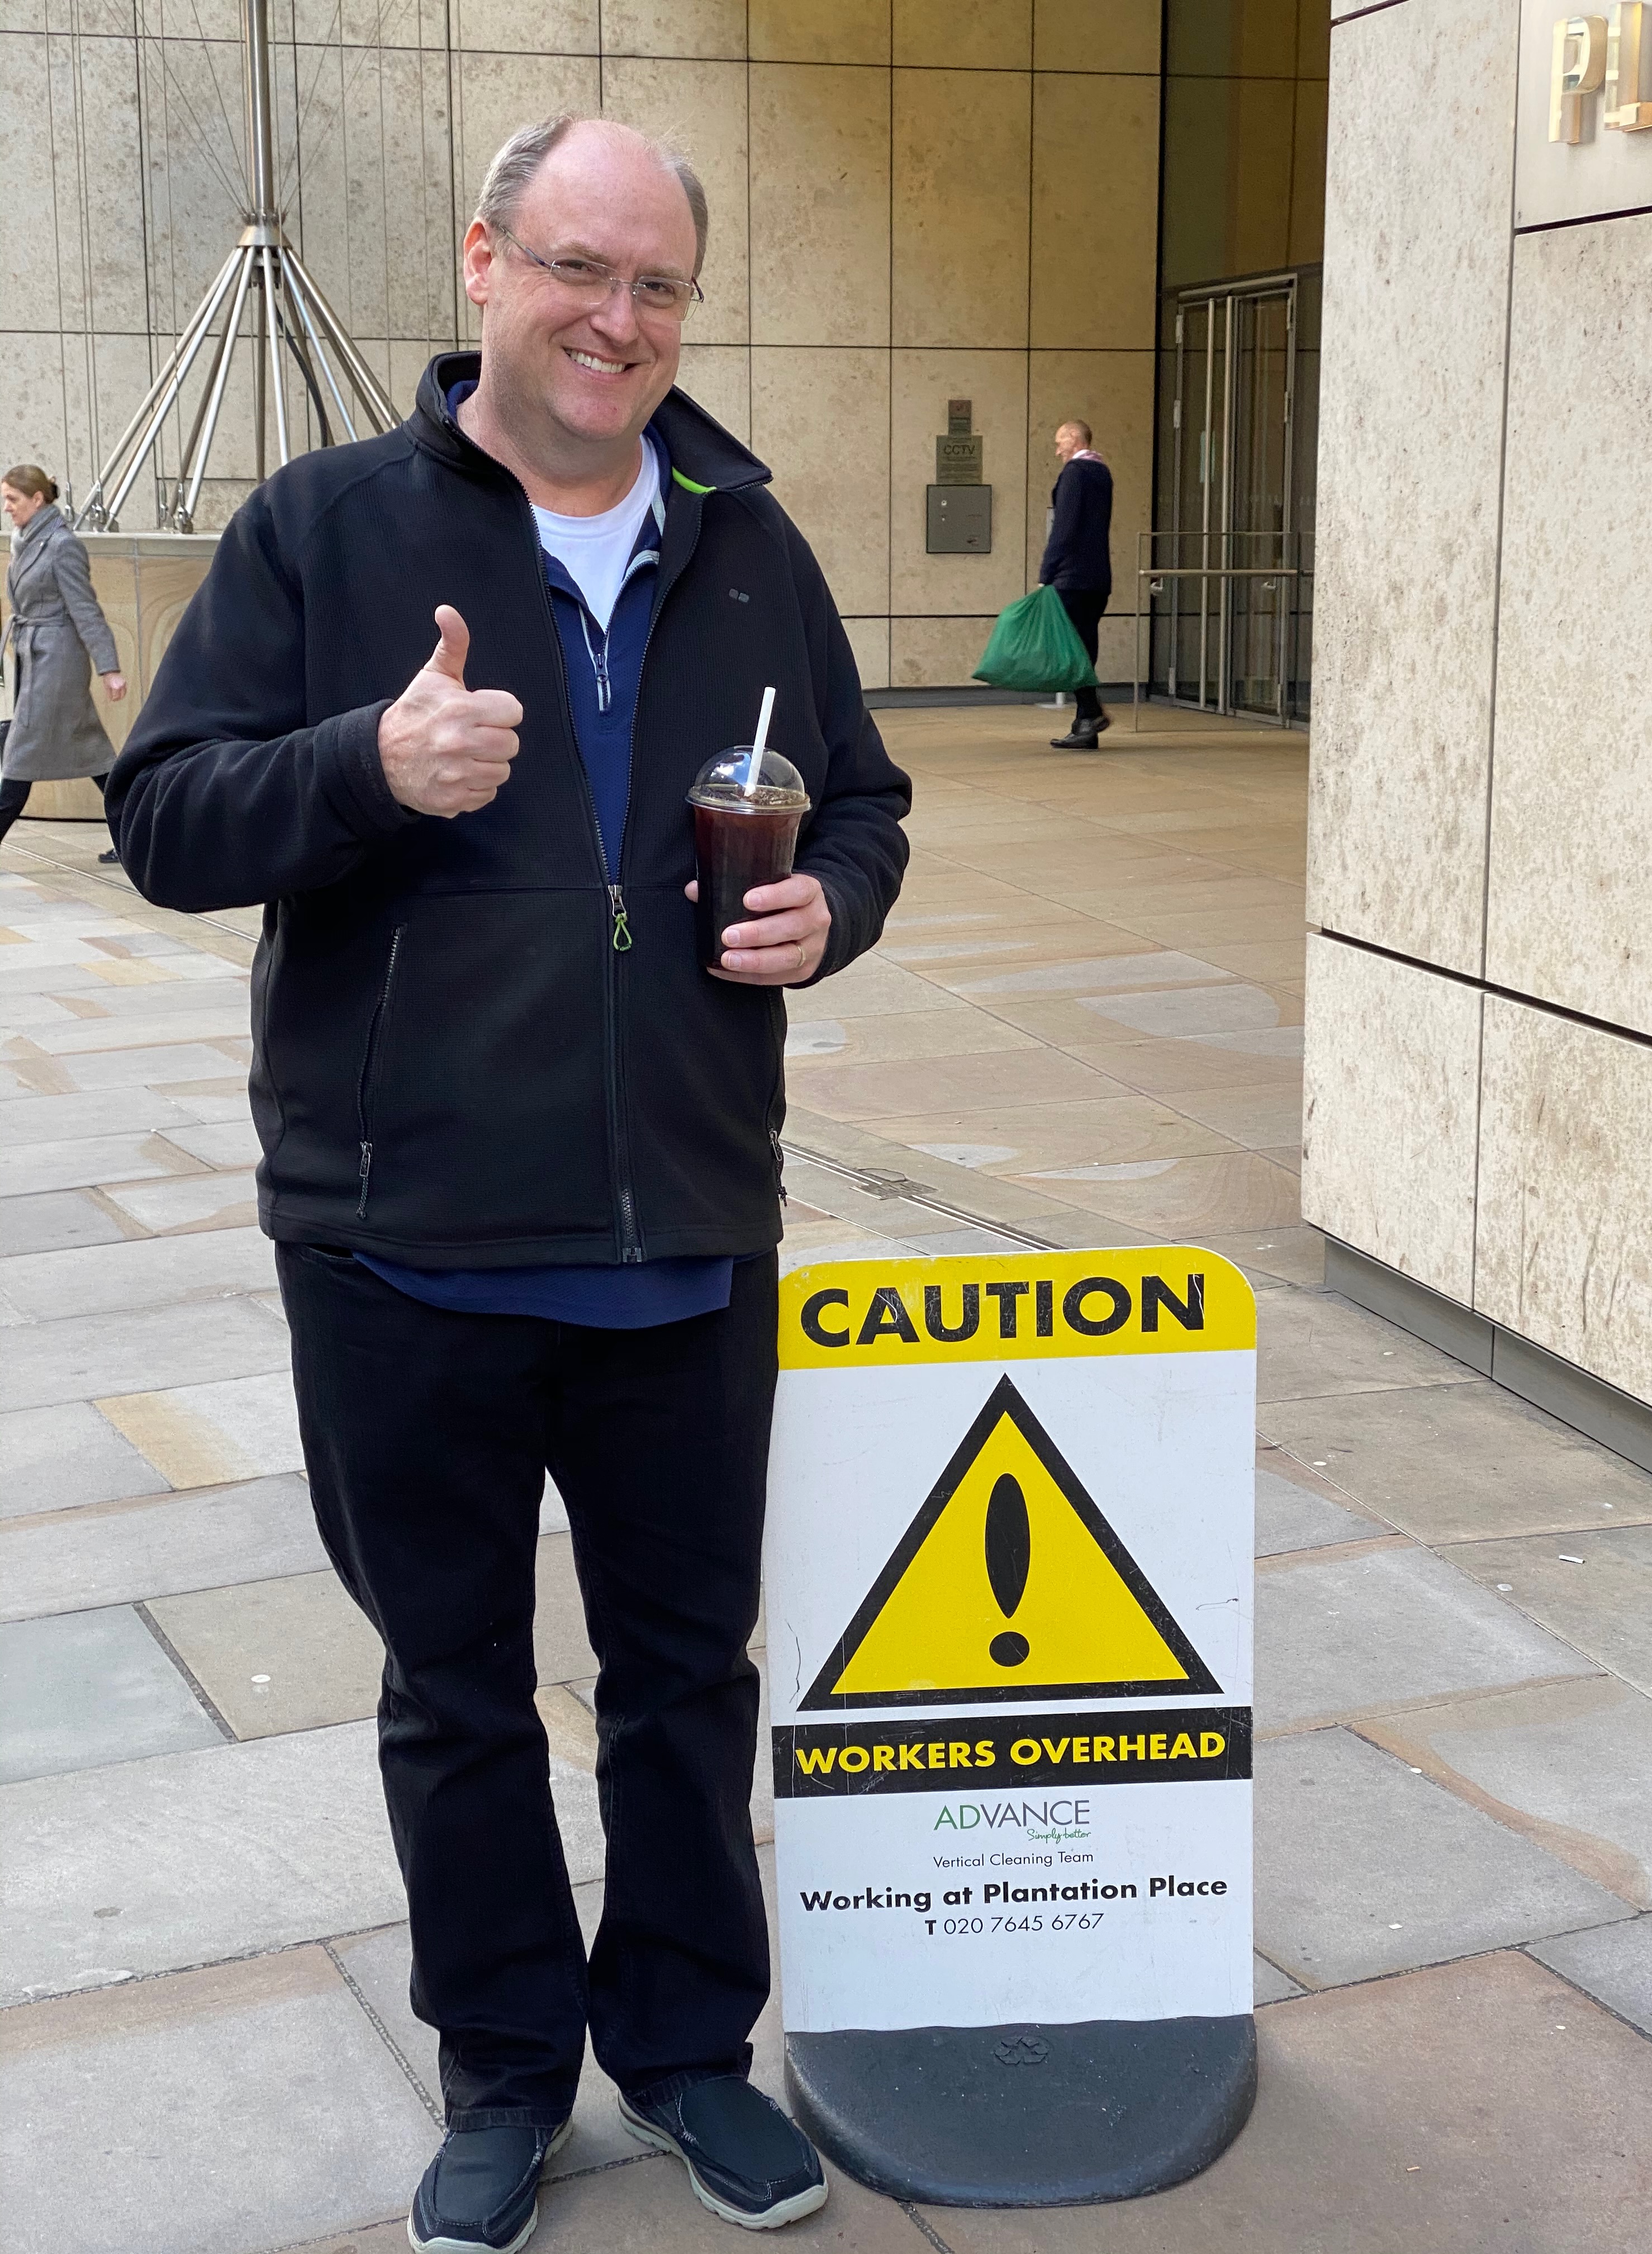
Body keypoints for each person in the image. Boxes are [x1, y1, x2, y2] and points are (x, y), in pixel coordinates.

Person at [108, 113, 909, 2254]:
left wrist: (828, 903)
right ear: (483, 264)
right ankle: (500, 2069)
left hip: (684, 1234)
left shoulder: (747, 541)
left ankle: (685, 2048)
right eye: (574, 266)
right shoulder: (323, 526)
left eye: (655, 285)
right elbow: (162, 817)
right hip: (403, 1247)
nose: (613, 319)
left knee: (685, 1678)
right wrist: (363, 767)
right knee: (453, 1689)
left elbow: (861, 803)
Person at [1, 466, 127, 855]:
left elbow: (85, 609)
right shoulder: (25, 540)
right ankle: (139, 835)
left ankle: (140, 834)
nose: (7, 507)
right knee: (92, 753)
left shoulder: (61, 545)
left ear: (37, 499)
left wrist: (109, 668)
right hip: (34, 656)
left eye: (13, 499)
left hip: (57, 663)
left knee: (20, 756)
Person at [1039, 419, 1113, 749]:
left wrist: (1047, 573)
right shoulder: (1102, 473)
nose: (1058, 451)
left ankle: (1091, 713)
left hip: (1072, 577)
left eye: (1060, 443)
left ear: (1074, 438)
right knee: (1083, 647)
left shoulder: (1075, 473)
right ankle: (1086, 723)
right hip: (1097, 578)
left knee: (1072, 651)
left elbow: (1064, 528)